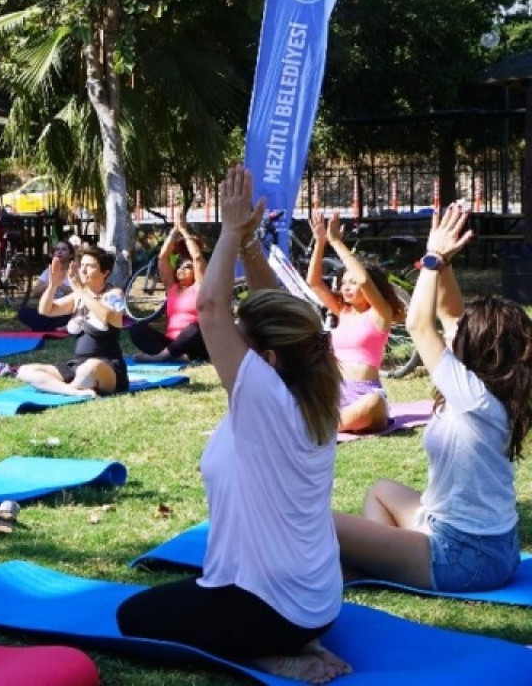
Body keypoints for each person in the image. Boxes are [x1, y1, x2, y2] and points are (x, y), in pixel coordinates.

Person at [117, 164, 350, 685]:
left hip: (267, 610)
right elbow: (285, 313)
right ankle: (297, 640)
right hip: (320, 604)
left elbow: (210, 306)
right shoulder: (316, 383)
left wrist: (227, 230)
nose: (232, 345)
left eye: (243, 338)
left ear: (266, 359)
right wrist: (247, 245)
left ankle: (268, 654)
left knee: (132, 616)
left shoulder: (264, 397)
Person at [334, 203, 532, 594]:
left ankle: (367, 569)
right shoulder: (494, 384)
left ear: (479, 349)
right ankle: (375, 567)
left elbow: (418, 323)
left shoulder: (473, 395)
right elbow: (449, 312)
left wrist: (432, 260)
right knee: (381, 491)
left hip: (463, 556)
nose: (456, 332)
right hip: (483, 545)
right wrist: (446, 262)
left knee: (322, 523)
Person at [306, 211, 404, 433]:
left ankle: (322, 427)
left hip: (365, 394)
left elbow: (363, 279)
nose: (346, 287)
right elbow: (314, 283)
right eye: (343, 283)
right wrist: (320, 242)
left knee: (374, 402)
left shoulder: (380, 314)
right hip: (335, 392)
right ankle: (328, 424)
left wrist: (336, 242)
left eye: (352, 283)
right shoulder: (343, 311)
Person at [15, 246, 129, 397]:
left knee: (90, 367)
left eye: (90, 266)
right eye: (82, 265)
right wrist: (53, 285)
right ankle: (73, 391)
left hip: (106, 367)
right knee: (25, 371)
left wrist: (80, 290)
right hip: (77, 365)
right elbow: (45, 310)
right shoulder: (78, 297)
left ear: (105, 272)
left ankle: (60, 387)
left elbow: (107, 315)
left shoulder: (115, 294)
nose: (83, 270)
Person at [129, 215, 209, 363]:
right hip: (171, 344)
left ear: (195, 272)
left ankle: (161, 357)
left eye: (187, 267)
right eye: (179, 266)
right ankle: (174, 356)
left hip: (195, 343)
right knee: (136, 329)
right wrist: (175, 229)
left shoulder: (199, 286)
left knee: (195, 327)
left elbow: (197, 257)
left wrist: (183, 231)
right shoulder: (172, 287)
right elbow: (163, 258)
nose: (181, 269)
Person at [17, 240, 75, 332]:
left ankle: (47, 327)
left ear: (71, 255)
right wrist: (50, 284)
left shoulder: (75, 271)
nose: (59, 252)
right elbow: (35, 294)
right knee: (23, 313)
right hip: (48, 310)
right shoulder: (48, 271)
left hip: (66, 311)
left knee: (74, 314)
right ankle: (56, 328)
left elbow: (77, 295)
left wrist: (58, 283)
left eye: (64, 249)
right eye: (57, 250)